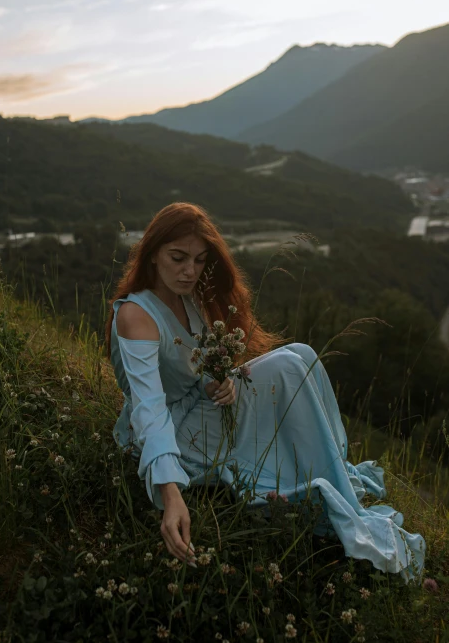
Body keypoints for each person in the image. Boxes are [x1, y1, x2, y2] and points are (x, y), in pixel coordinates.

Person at [104, 202, 425, 583]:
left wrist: (216, 381)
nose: (190, 271)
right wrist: (170, 495)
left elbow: (191, 368)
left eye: (199, 260)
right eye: (178, 258)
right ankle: (322, 479)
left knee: (300, 356)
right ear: (153, 253)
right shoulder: (135, 316)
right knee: (288, 367)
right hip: (169, 433)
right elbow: (149, 408)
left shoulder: (188, 298)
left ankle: (326, 467)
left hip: (199, 405)